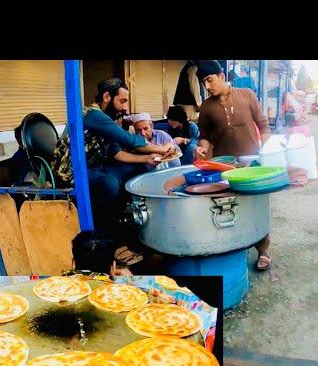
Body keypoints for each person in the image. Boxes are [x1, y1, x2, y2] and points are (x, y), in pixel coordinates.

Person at [51, 78, 172, 266]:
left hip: (95, 168)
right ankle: (111, 239)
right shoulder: (93, 115)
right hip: (73, 174)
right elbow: (127, 139)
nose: (124, 108)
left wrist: (146, 159)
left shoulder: (107, 119)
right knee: (109, 183)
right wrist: (159, 149)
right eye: (122, 101)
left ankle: (133, 218)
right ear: (107, 96)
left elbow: (116, 152)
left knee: (141, 168)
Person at [194, 60, 273, 271]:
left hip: (253, 165)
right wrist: (202, 148)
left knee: (256, 207)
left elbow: (264, 127)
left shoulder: (246, 94)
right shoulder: (207, 107)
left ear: (221, 76)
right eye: (204, 83)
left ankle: (263, 249)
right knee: (230, 207)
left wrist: (262, 151)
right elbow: (205, 137)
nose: (207, 86)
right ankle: (235, 246)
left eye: (209, 80)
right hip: (225, 168)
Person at [68, 230, 133, 279]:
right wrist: (132, 280)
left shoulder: (61, 286)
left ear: (73, 264)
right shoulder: (125, 292)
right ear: (113, 266)